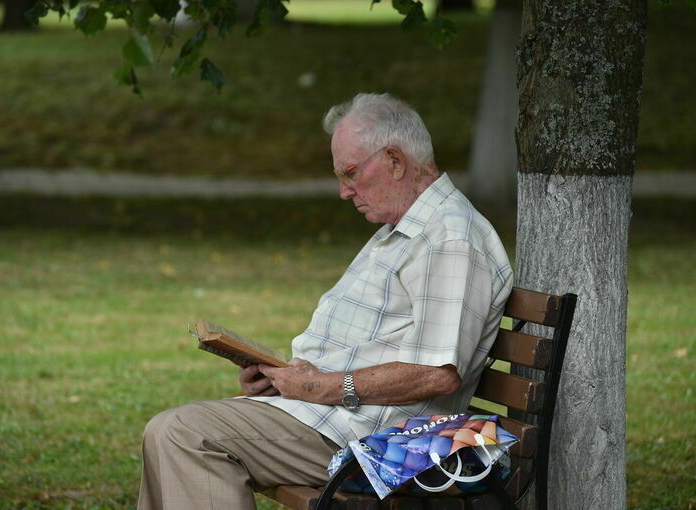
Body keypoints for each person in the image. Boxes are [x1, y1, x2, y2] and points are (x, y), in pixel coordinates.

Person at [138, 93, 513, 510]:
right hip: (328, 415)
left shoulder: (449, 240)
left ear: (394, 160)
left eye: (350, 173)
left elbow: (437, 374)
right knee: (171, 433)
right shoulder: (406, 231)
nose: (343, 191)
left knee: (182, 433)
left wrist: (319, 385)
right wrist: (284, 379)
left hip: (371, 438)